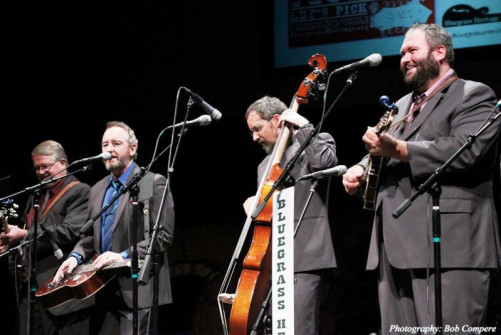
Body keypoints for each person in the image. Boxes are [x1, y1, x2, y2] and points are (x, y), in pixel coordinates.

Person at [342, 23, 501, 333]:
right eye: (402, 53)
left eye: (412, 50)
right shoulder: (402, 105)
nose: (404, 58)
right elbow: (383, 147)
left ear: (440, 52)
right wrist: (361, 167)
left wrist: (399, 149)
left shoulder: (473, 94)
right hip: (393, 247)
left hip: (450, 245)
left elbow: (464, 150)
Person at [53, 121, 175, 335]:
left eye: (116, 143)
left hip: (138, 289)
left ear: (132, 149)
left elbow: (162, 237)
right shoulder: (98, 189)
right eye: (105, 144)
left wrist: (123, 256)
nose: (109, 149)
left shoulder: (150, 182)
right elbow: (90, 235)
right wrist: (75, 257)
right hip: (102, 289)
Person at [243, 96, 338, 334]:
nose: (254, 137)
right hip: (275, 261)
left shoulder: (313, 143)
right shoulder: (263, 166)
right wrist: (254, 208)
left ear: (277, 120)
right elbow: (268, 216)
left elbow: (326, 161)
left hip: (306, 256)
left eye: (257, 129)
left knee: (300, 328)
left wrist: (304, 126)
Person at [0, 140, 92, 335]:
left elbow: (70, 231)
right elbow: (27, 233)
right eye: (37, 168)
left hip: (61, 290)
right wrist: (10, 244)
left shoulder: (79, 191)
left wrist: (24, 234)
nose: (41, 172)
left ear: (63, 163)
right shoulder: (36, 196)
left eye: (45, 166)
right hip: (30, 290)